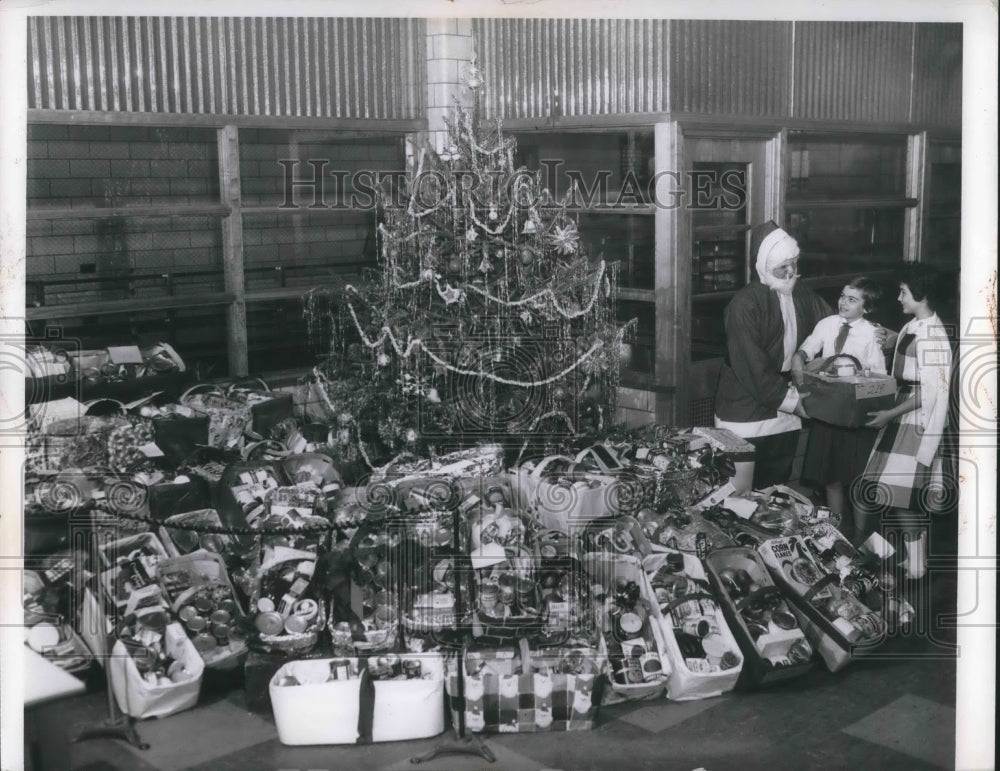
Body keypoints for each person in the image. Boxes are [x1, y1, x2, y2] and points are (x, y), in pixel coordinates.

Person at [714, 220, 831, 491]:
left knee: (775, 492)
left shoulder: (802, 293)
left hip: (785, 410)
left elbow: (829, 326)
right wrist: (792, 401)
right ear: (765, 266)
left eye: (794, 263)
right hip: (744, 408)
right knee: (737, 493)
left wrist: (865, 331)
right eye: (783, 266)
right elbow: (752, 366)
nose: (791, 272)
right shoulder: (744, 304)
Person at [854, 264, 953, 578]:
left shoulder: (934, 335)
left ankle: (914, 562)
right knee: (899, 495)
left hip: (914, 417)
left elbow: (931, 392)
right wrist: (893, 339)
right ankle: (915, 561)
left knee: (896, 493)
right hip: (903, 411)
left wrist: (888, 414)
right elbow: (912, 353)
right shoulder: (916, 325)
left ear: (921, 296)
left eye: (904, 292)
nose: (898, 298)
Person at [790, 277, 887, 540]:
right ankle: (836, 534)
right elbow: (806, 350)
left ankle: (859, 535)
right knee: (830, 476)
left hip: (855, 416)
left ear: (866, 308)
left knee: (856, 480)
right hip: (828, 412)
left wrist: (859, 376)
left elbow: (880, 379)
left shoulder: (872, 333)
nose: (843, 302)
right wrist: (799, 360)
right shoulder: (827, 324)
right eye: (843, 296)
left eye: (852, 299)